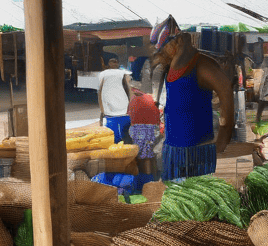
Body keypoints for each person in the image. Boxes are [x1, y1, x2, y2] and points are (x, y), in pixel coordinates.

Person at [150, 15, 234, 180]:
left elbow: (225, 92)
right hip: (173, 148)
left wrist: (224, 135)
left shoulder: (201, 65)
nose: (161, 54)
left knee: (196, 198)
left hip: (196, 152)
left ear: (176, 43)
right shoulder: (172, 68)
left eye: (163, 49)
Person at [127, 84, 161, 178]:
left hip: (140, 130)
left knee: (143, 157)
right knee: (151, 155)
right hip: (153, 130)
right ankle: (153, 177)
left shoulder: (134, 99)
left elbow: (131, 116)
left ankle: (146, 179)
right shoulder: (152, 97)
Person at [97, 55, 132, 142]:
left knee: (124, 133)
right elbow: (100, 91)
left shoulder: (122, 73)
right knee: (113, 134)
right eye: (112, 61)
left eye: (115, 62)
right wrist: (102, 109)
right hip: (110, 108)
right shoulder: (103, 74)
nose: (114, 63)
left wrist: (130, 103)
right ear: (108, 64)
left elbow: (128, 88)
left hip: (122, 107)